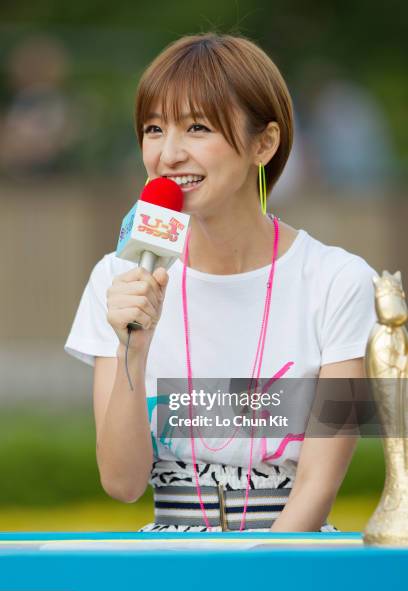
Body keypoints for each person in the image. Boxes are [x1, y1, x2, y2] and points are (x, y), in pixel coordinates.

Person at [65, 33, 378, 533]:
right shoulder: (118, 279)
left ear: (264, 143)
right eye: (153, 128)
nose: (168, 154)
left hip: (289, 563)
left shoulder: (340, 281)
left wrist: (248, 584)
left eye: (197, 127)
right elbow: (121, 484)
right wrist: (134, 349)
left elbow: (319, 485)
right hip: (168, 566)